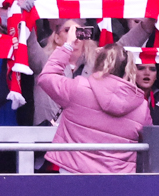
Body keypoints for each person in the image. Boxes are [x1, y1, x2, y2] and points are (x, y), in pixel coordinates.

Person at [39, 39, 149, 174]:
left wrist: (67, 46)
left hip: (73, 173)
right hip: (118, 180)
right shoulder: (141, 106)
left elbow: (46, 77)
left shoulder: (78, 88)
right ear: (128, 69)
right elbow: (151, 140)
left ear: (98, 64)